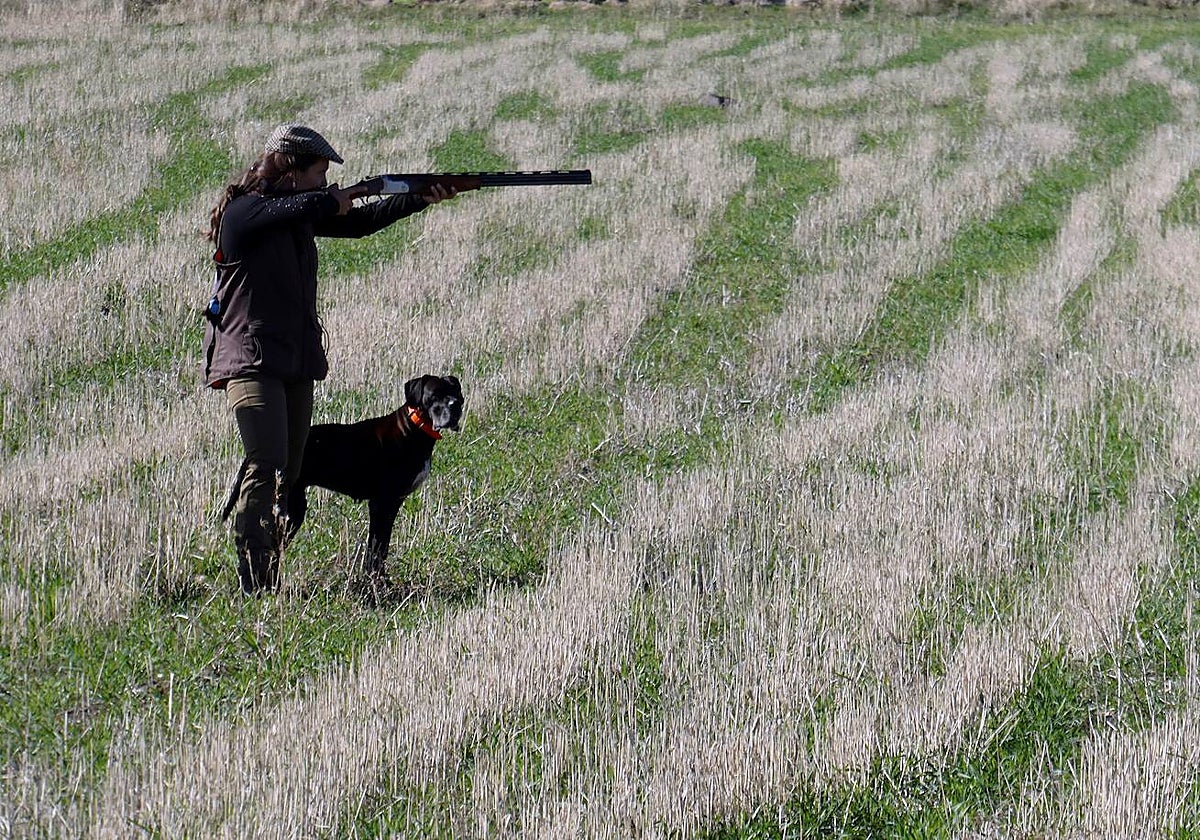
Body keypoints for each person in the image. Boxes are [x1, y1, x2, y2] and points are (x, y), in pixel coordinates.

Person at [202, 123, 455, 595]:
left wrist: (419, 197)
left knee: (289, 475)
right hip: (251, 361)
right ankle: (255, 581)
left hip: (295, 362)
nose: (324, 184)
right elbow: (314, 205)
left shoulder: (295, 213)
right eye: (319, 173)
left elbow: (358, 223)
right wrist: (348, 193)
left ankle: (270, 566)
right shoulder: (243, 213)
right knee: (266, 461)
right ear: (291, 170)